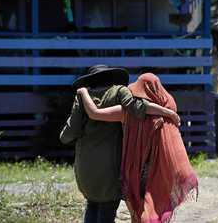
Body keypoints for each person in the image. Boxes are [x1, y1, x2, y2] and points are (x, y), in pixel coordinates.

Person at [60, 65, 180, 223]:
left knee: (92, 204)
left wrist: (82, 95)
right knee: (107, 211)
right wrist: (168, 112)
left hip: (86, 167)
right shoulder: (120, 92)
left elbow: (68, 135)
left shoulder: (84, 97)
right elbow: (137, 107)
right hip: (113, 168)